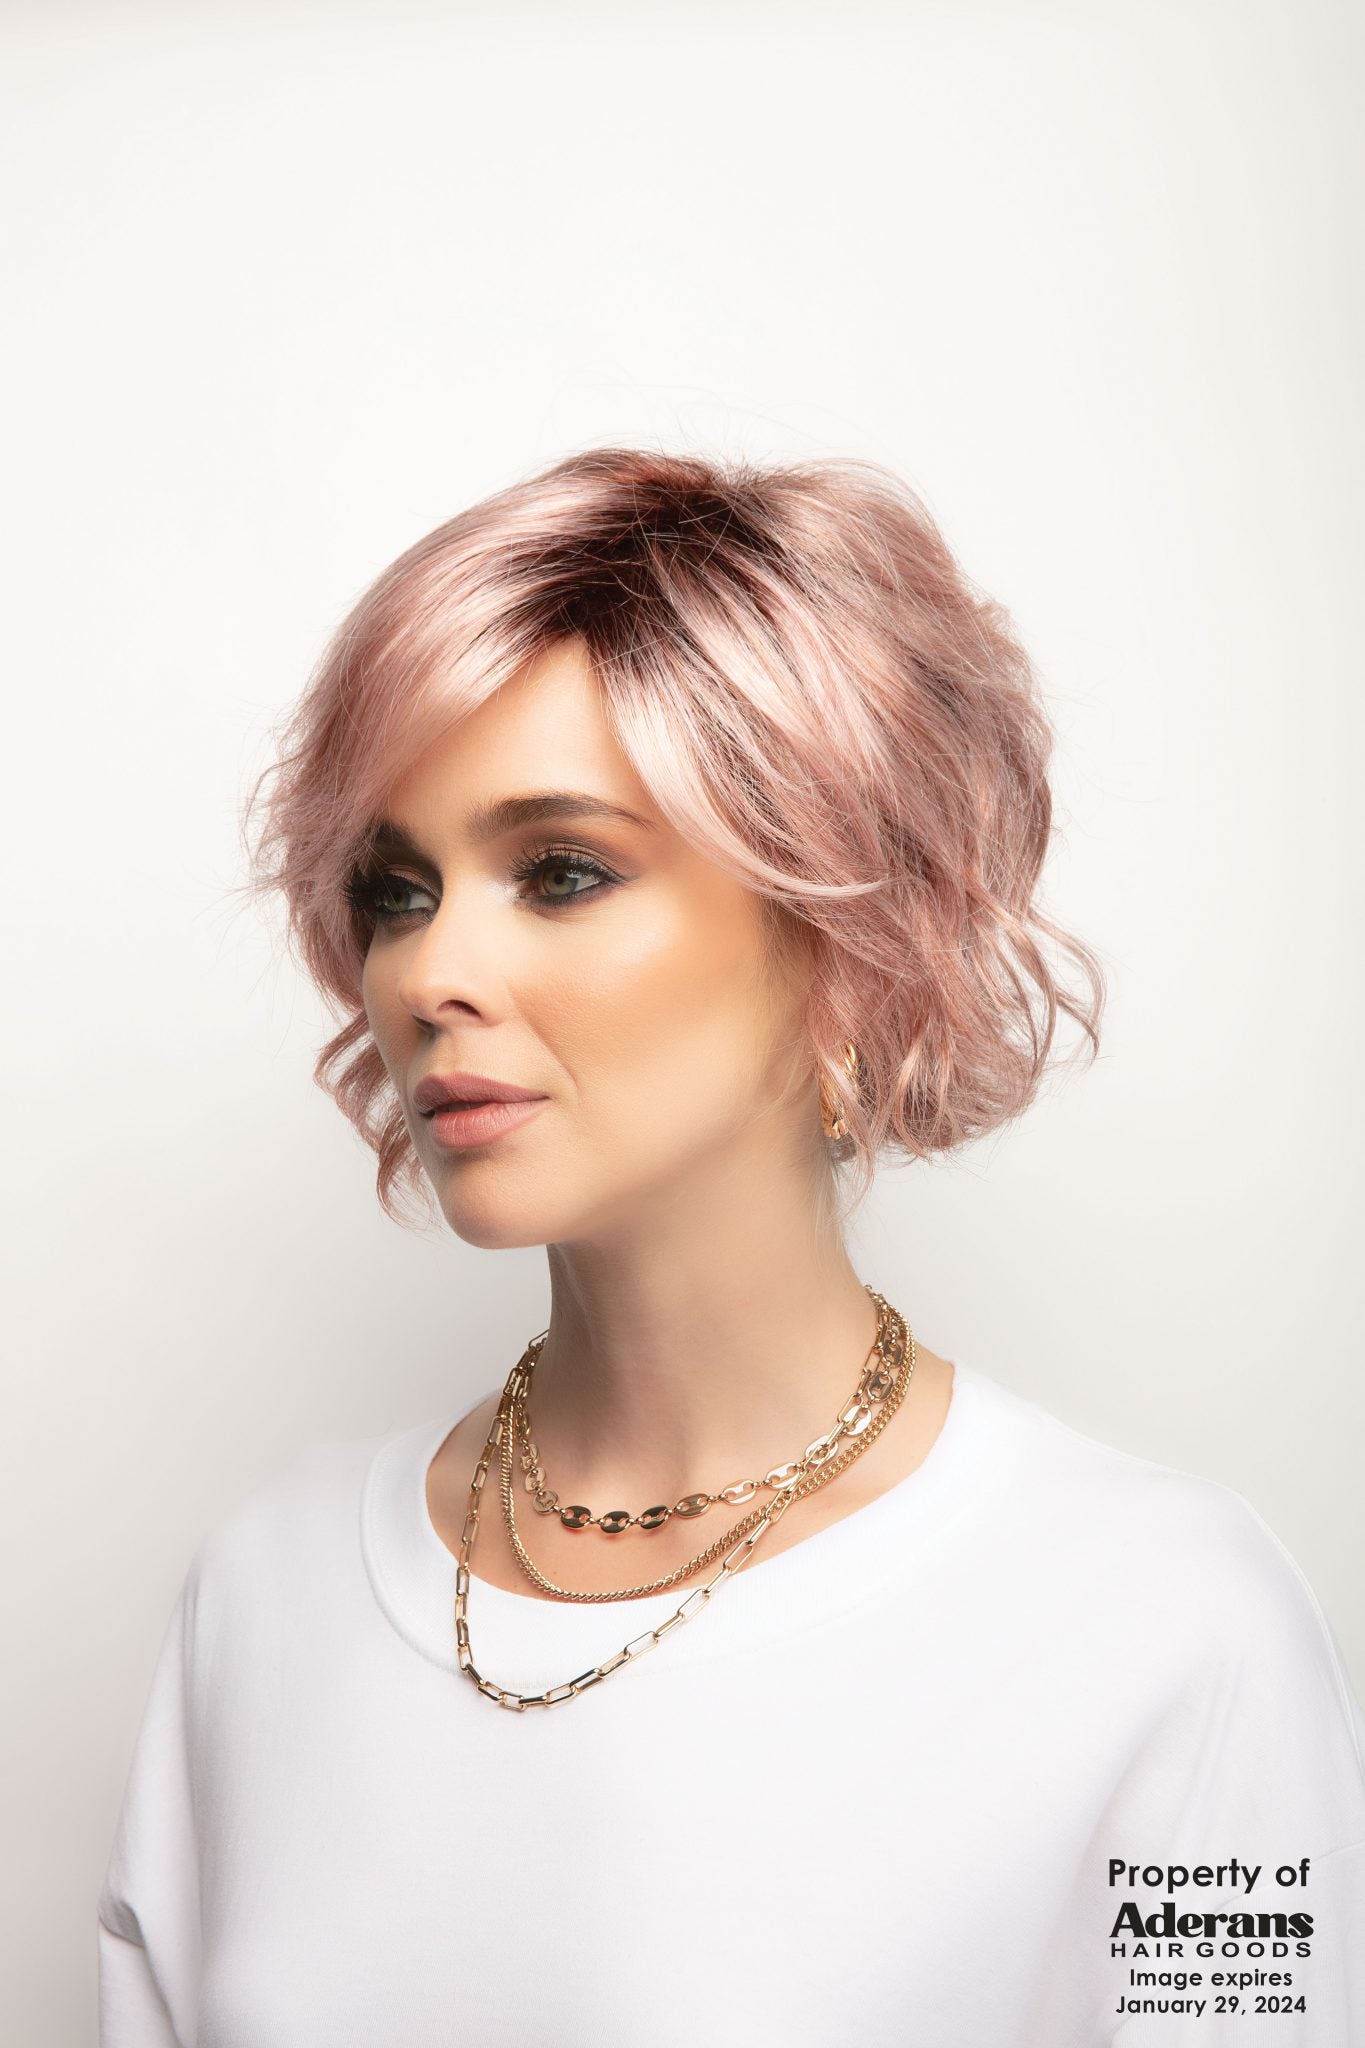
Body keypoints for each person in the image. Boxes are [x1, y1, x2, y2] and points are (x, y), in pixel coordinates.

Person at [97, 447, 1365, 2046]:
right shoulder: (267, 1596)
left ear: (843, 936)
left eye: (560, 871)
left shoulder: (1163, 1629)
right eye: (396, 890)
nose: (426, 972)